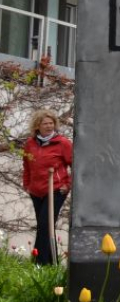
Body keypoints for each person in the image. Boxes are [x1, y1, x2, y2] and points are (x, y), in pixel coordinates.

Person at [21, 109, 72, 265]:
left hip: (56, 189)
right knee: (44, 227)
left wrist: (68, 185)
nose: (49, 126)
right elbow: (27, 166)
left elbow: (76, 165)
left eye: (51, 123)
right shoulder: (30, 144)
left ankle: (39, 263)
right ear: (37, 126)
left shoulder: (62, 143)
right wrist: (27, 184)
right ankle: (50, 263)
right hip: (36, 191)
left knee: (45, 225)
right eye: (45, 124)